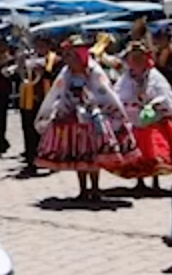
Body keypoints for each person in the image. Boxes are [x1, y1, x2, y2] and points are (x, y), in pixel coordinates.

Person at [35, 35, 136, 200]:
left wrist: (94, 103)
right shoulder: (66, 73)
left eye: (72, 55)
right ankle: (83, 189)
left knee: (93, 155)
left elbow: (104, 91)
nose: (69, 59)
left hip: (93, 118)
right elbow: (59, 92)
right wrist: (62, 106)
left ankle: (95, 189)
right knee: (78, 155)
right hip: (73, 117)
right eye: (67, 55)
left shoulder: (94, 72)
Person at [109, 41, 172, 193]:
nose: (135, 61)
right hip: (134, 119)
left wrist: (154, 104)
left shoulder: (154, 76)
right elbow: (120, 95)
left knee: (154, 150)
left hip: (153, 119)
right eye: (133, 58)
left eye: (139, 57)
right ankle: (139, 180)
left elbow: (164, 94)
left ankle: (155, 180)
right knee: (136, 152)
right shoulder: (126, 78)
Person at [16, 36, 57, 176]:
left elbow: (54, 76)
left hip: (46, 100)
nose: (39, 48)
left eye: (42, 45)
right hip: (28, 100)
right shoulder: (29, 58)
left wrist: (43, 70)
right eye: (37, 45)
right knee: (29, 131)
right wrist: (20, 64)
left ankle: (50, 161)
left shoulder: (54, 59)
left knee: (47, 133)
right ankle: (31, 162)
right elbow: (20, 77)